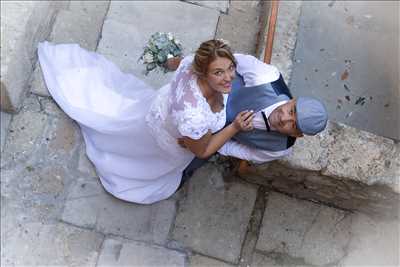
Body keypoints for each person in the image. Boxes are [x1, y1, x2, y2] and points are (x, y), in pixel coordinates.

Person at [37, 39, 253, 204]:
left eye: (230, 68)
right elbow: (203, 152)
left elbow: (177, 63)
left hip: (159, 109)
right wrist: (234, 127)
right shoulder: (194, 117)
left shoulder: (191, 62)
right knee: (147, 155)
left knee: (133, 131)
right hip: (171, 132)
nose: (228, 77)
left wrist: (167, 59)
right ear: (202, 73)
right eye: (218, 72)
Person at [176, 53, 328, 182]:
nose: (284, 119)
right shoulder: (267, 77)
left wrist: (205, 143)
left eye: (293, 125)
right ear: (292, 100)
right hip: (204, 97)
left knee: (182, 166)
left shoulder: (279, 149)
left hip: (212, 138)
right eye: (291, 111)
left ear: (297, 135)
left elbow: (241, 151)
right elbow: (229, 60)